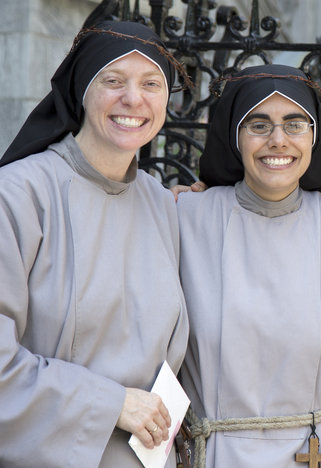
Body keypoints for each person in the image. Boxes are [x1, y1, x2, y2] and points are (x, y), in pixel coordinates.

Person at [0, 21, 189, 467]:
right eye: (113, 81)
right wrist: (111, 404)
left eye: (151, 84)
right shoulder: (18, 195)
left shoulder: (163, 204)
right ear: (82, 90)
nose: (133, 99)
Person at [177, 64, 321, 467]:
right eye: (258, 125)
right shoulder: (184, 218)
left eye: (295, 124)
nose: (278, 141)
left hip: (317, 452)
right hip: (216, 452)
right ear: (234, 136)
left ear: (315, 136)